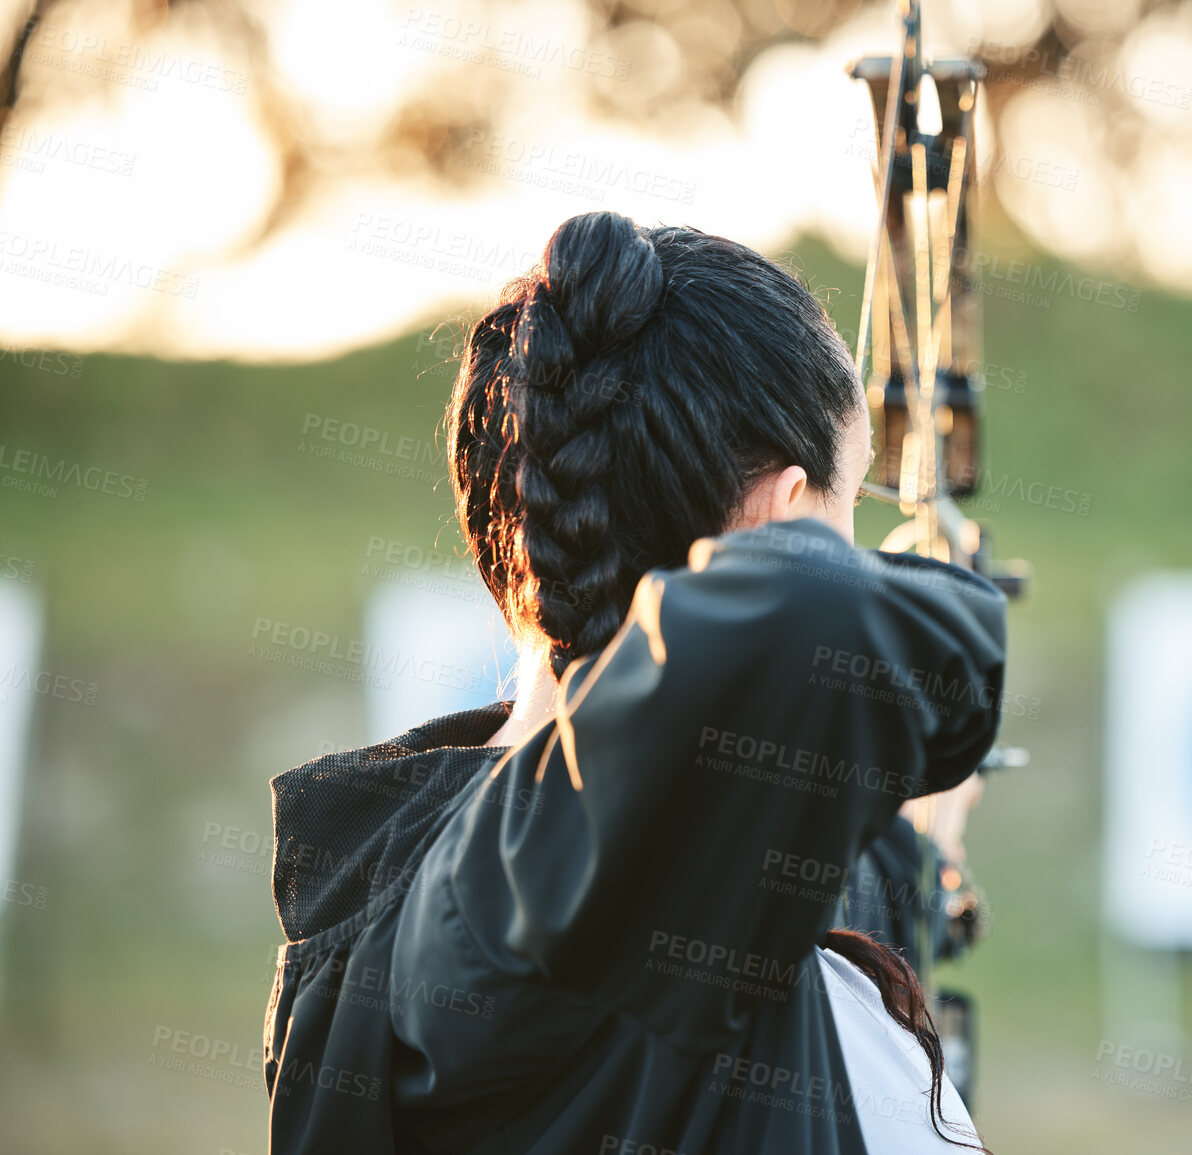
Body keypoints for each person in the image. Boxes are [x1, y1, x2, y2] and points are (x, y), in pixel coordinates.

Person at [262, 211, 1007, 1153]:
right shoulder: (518, 895)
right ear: (781, 525)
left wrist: (911, 841)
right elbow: (806, 624)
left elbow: (754, 939)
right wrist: (923, 667)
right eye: (846, 502)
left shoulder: (576, 870)